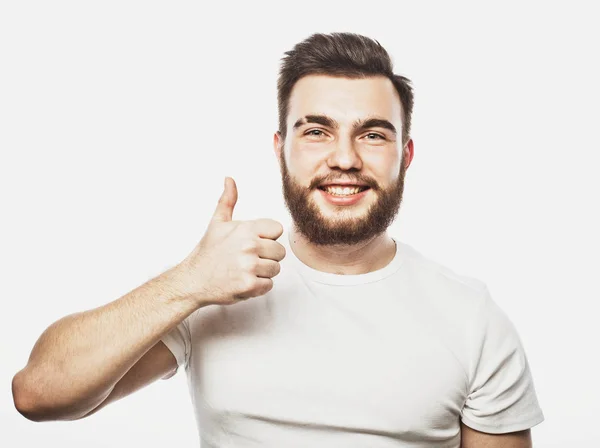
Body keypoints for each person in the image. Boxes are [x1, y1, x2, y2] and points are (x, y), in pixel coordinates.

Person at [12, 32, 544, 447]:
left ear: (405, 155)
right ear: (280, 148)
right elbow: (39, 394)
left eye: (373, 134)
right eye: (316, 131)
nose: (344, 159)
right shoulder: (213, 287)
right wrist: (189, 283)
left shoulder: (472, 318)